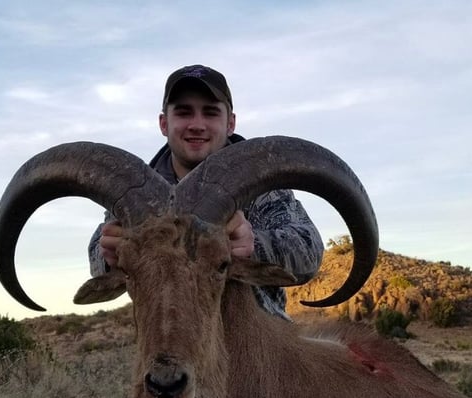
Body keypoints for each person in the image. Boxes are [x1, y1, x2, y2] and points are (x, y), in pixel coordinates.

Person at [88, 64, 324, 320]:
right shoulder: (139, 194)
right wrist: (112, 253)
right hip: (168, 335)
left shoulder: (260, 182)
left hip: (258, 343)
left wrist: (251, 245)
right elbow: (98, 249)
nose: (197, 125)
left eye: (210, 113)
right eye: (184, 112)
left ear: (230, 123)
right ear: (164, 123)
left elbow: (308, 248)